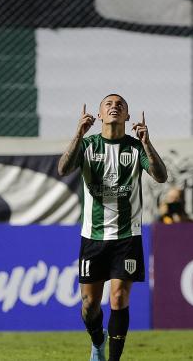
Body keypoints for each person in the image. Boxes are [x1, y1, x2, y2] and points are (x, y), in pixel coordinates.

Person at [58, 94, 167, 361]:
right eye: (109, 104)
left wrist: (147, 143)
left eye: (120, 104)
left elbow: (161, 176)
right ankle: (97, 341)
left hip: (127, 235)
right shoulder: (88, 145)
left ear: (128, 117)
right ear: (99, 115)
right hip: (93, 236)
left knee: (118, 298)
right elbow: (63, 169)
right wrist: (78, 135)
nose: (114, 106)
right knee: (90, 305)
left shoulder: (135, 148)